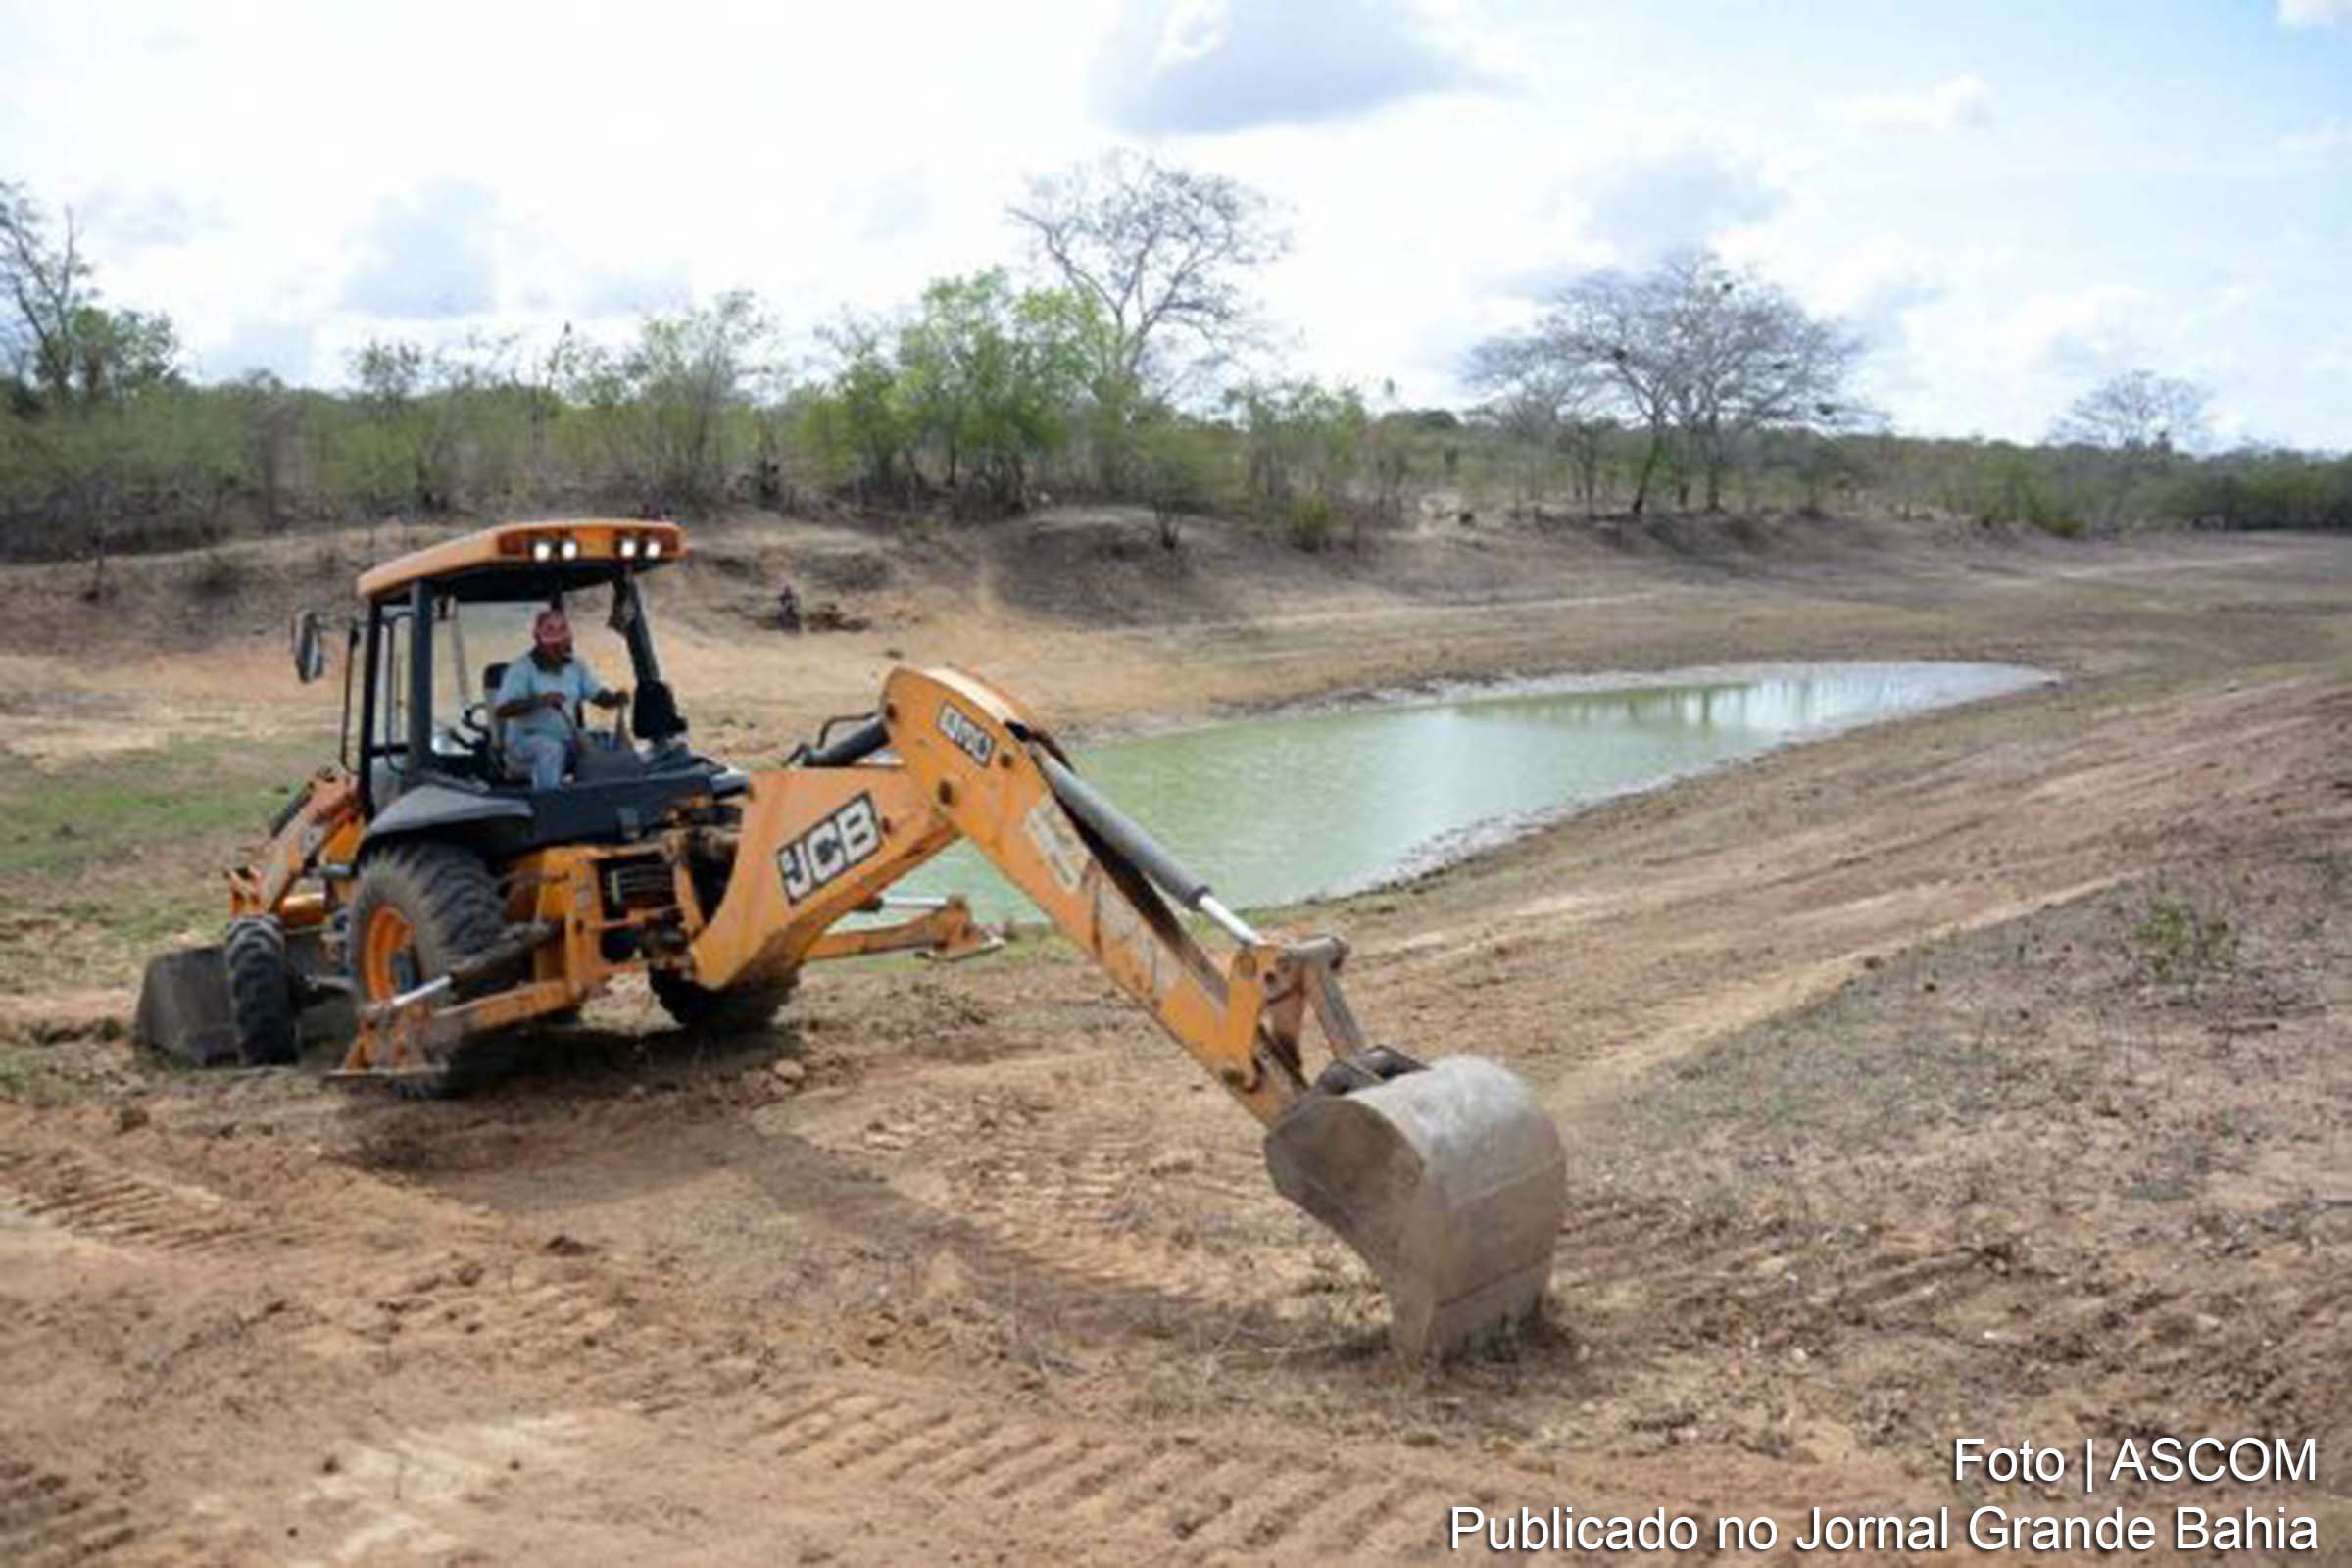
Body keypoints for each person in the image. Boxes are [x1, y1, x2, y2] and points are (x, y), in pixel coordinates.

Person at [493, 607, 626, 789]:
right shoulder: (521, 669)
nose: (557, 648)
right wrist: (541, 701)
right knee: (550, 749)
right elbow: (502, 710)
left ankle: (607, 795)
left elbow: (597, 695)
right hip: (526, 742)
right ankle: (550, 799)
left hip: (567, 737)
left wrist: (615, 699)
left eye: (561, 643)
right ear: (538, 640)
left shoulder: (576, 666)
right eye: (551, 643)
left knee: (605, 743)